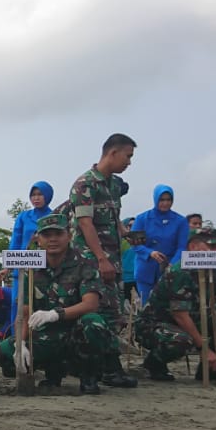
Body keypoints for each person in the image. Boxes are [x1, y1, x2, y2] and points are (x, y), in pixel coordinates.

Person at [0, 214, 118, 393]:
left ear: (69, 236)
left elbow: (91, 304)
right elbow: (25, 312)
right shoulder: (32, 267)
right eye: (47, 235)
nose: (53, 239)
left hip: (76, 332)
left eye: (58, 234)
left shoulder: (84, 262)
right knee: (1, 353)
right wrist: (22, 343)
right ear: (38, 239)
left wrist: (56, 314)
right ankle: (51, 370)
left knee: (93, 323)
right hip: (46, 335)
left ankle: (89, 376)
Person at [135, 227, 216, 382]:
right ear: (193, 247)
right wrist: (204, 349)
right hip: (156, 324)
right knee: (181, 340)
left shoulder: (211, 268)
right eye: (211, 247)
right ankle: (154, 363)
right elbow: (180, 316)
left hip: (191, 317)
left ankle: (210, 367)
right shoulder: (180, 272)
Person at [68, 133, 138, 387]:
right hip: (92, 260)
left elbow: (113, 217)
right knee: (100, 313)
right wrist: (101, 259)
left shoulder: (113, 185)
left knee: (114, 313)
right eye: (128, 156)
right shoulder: (85, 184)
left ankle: (109, 367)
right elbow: (85, 223)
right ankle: (101, 368)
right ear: (112, 153)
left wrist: (126, 234)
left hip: (112, 259)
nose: (129, 162)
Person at [131, 184, 189, 304]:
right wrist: (150, 253)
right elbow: (135, 244)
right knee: (146, 307)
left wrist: (172, 265)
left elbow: (182, 247)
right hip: (146, 271)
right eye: (162, 200)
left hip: (170, 271)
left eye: (169, 200)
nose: (165, 203)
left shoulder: (181, 221)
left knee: (167, 307)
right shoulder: (142, 219)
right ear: (155, 199)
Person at [3, 181, 54, 284]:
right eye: (33, 195)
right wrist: (7, 266)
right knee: (18, 299)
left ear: (47, 195)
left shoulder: (54, 216)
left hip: (47, 268)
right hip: (22, 266)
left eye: (40, 194)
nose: (36, 198)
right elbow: (15, 241)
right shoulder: (23, 216)